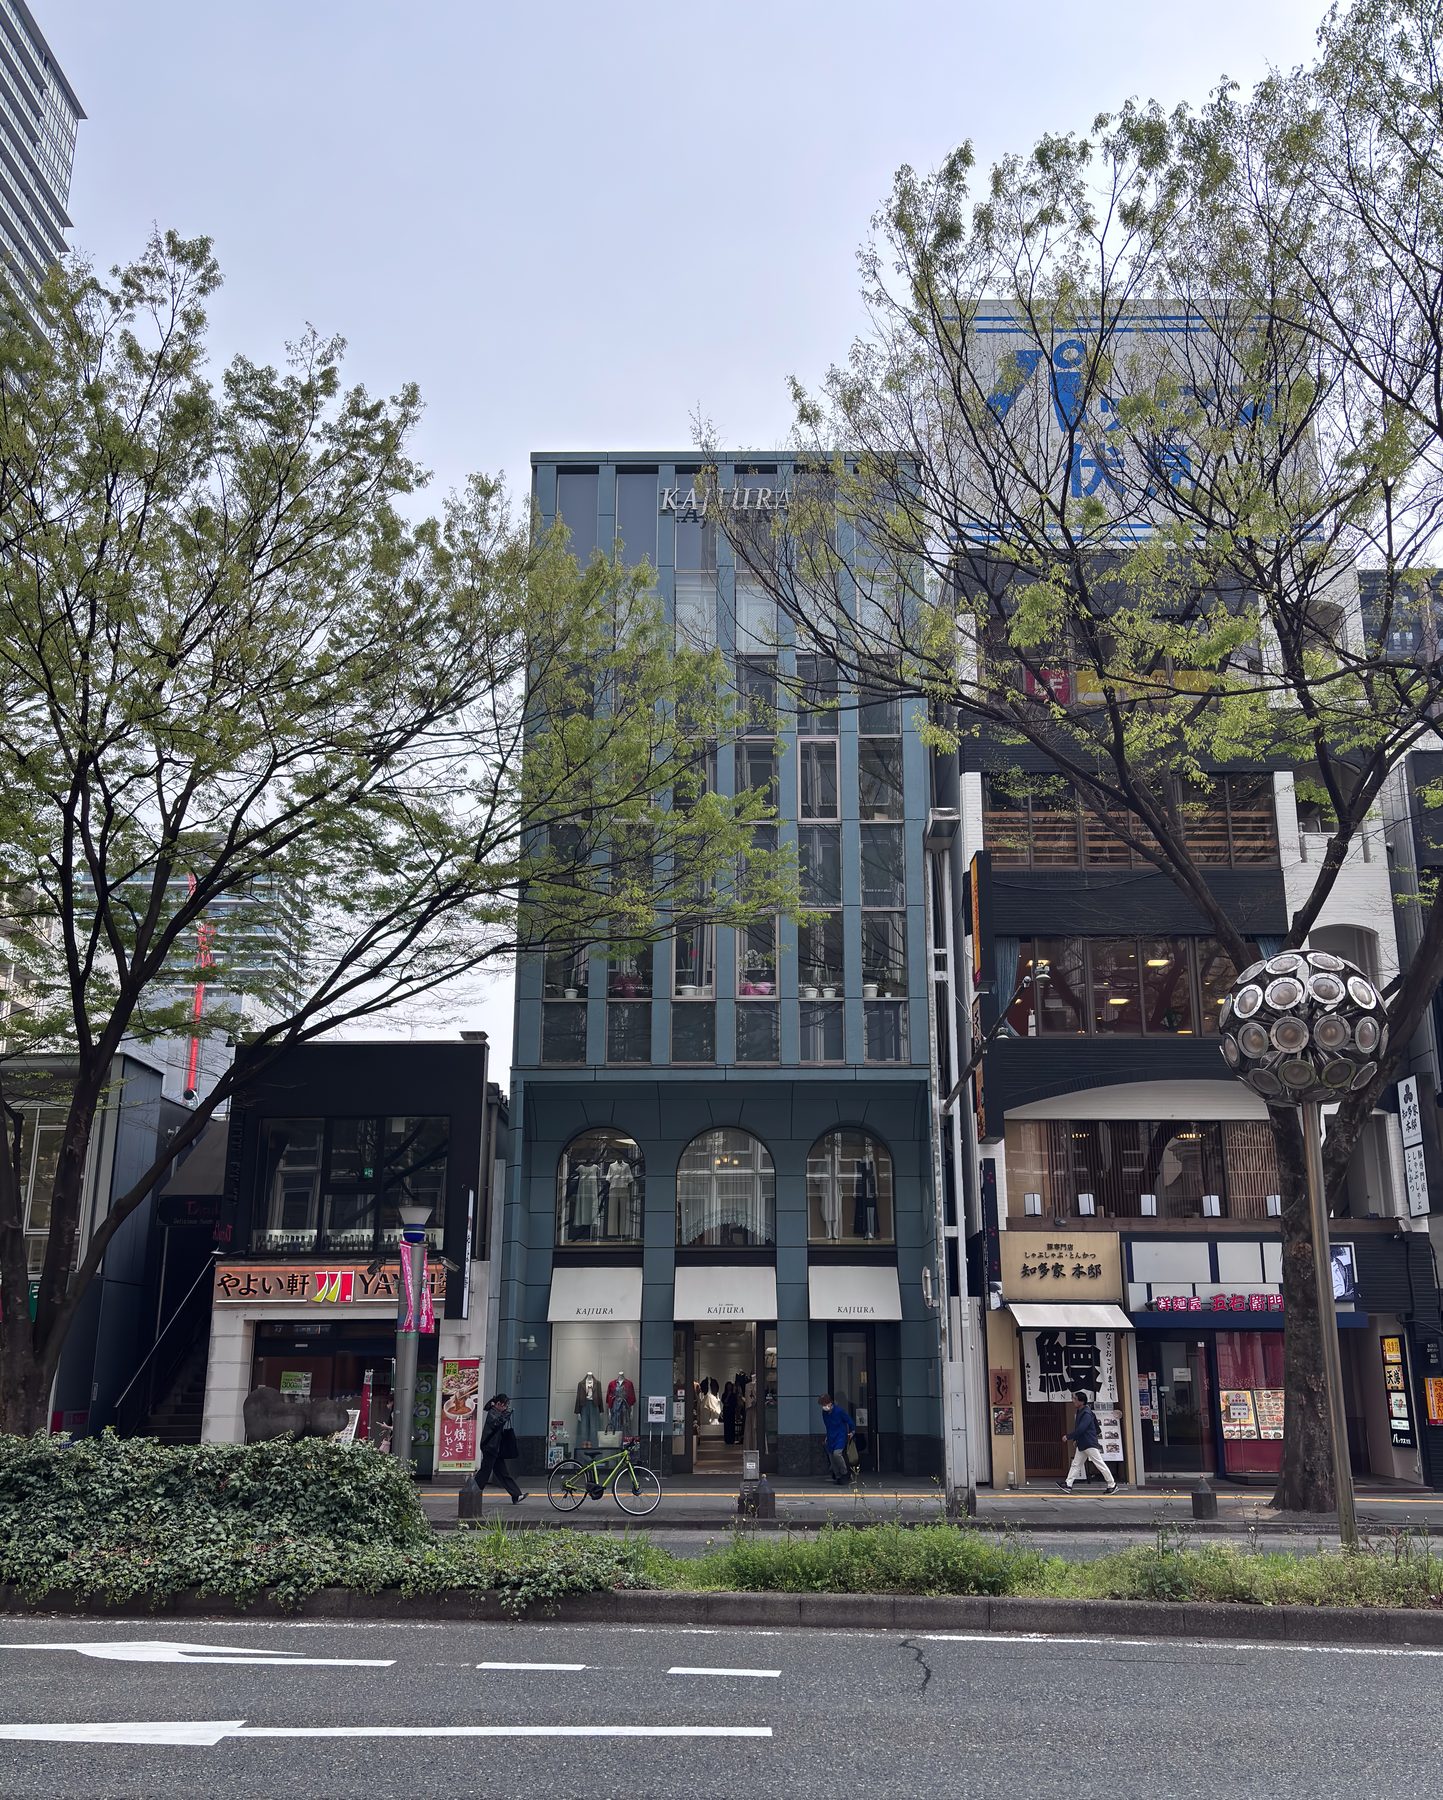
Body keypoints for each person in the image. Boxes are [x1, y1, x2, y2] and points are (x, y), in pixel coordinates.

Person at [473, 1393, 528, 1506]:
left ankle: (516, 1495)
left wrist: (506, 1413)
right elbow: (497, 1423)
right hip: (490, 1448)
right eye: (505, 1405)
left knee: (503, 1473)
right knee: (484, 1473)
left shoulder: (496, 1412)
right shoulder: (493, 1413)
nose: (506, 1407)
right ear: (499, 1404)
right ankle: (472, 1493)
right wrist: (507, 1414)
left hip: (495, 1449)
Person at [1057, 1390, 1117, 1493]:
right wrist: (1076, 1439)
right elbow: (1093, 1429)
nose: (1073, 1401)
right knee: (1076, 1464)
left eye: (1075, 1399)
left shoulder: (1086, 1413)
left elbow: (1081, 1429)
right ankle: (1068, 1484)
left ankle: (1112, 1484)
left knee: (1099, 1463)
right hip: (1084, 1443)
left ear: (1081, 1401)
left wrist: (1069, 1436)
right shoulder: (1082, 1411)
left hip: (1089, 1443)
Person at [818, 1393, 856, 1484]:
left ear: (830, 1403)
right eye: (822, 1405)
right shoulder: (825, 1413)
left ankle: (844, 1472)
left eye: (824, 1404)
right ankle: (838, 1476)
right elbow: (828, 1426)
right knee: (831, 1457)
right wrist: (827, 1436)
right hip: (831, 1437)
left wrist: (852, 1431)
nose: (823, 1407)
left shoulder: (839, 1411)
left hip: (840, 1436)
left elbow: (849, 1420)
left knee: (837, 1454)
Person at [721, 1380, 738, 1446]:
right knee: (726, 1425)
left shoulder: (734, 1395)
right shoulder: (724, 1394)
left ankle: (732, 1439)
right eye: (728, 1386)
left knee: (731, 1425)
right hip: (726, 1411)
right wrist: (728, 1395)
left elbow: (735, 1403)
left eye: (730, 1386)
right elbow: (724, 1401)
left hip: (731, 1411)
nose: (729, 1387)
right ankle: (727, 1439)